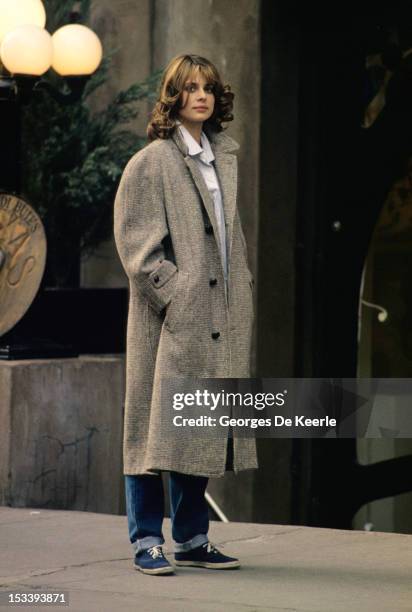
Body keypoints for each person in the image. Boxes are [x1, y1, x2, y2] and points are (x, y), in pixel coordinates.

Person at [113, 53, 257, 576]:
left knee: (201, 424)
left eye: (209, 88)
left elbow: (227, 235)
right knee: (151, 430)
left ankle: (193, 538)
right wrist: (175, 294)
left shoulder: (221, 156)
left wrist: (238, 290)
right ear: (173, 96)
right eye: (190, 88)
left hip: (220, 315)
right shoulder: (152, 161)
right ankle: (146, 538)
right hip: (172, 318)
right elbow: (137, 246)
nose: (201, 96)